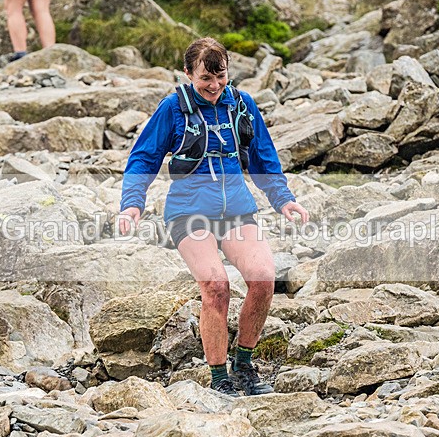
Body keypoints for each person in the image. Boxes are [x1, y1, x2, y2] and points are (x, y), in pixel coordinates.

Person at [118, 38, 309, 397]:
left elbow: (264, 158)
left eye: (221, 77)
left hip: (237, 210)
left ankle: (244, 366)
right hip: (189, 213)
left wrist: (284, 200)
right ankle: (220, 377)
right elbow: (143, 158)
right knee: (217, 287)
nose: (214, 85)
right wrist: (132, 203)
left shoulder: (241, 104)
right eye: (206, 78)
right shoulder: (173, 109)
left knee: (263, 279)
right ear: (187, 73)